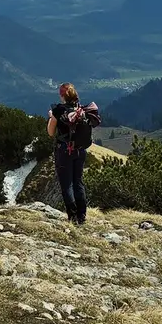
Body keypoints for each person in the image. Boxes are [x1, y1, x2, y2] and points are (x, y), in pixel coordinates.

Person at [47, 83, 97, 224]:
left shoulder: (58, 111)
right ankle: (82, 216)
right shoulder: (81, 110)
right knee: (78, 183)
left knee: (66, 185)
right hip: (80, 150)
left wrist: (51, 117)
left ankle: (73, 217)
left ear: (62, 95)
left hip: (64, 151)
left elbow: (51, 133)